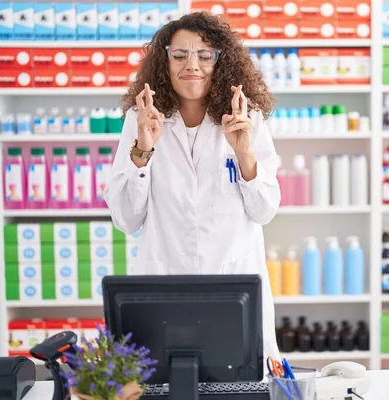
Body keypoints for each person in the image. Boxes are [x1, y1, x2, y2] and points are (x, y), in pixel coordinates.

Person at [104, 12, 281, 363]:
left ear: (221, 62)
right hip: (164, 292)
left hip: (235, 292)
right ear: (164, 62)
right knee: (166, 382)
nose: (192, 65)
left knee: (239, 382)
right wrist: (143, 149)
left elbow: (265, 210)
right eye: (179, 55)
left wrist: (243, 152)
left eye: (204, 55)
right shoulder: (140, 122)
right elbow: (126, 218)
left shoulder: (249, 120)